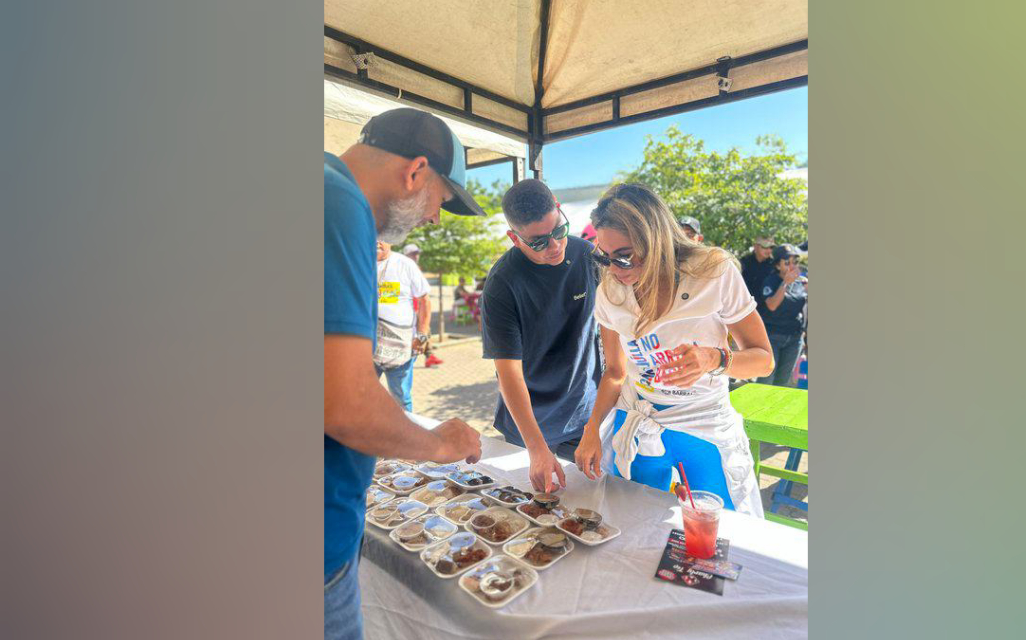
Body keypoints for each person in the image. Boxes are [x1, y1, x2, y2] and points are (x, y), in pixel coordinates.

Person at [323, 107, 485, 640]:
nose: (435, 217)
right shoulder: (340, 204)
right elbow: (345, 404)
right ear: (416, 172)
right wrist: (438, 443)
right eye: (441, 199)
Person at [573, 183, 774, 516]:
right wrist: (591, 430)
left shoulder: (712, 271)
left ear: (657, 240)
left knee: (721, 530)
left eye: (624, 256)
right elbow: (614, 372)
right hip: (639, 419)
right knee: (633, 522)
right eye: (604, 258)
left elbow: (763, 361)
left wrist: (715, 359)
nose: (616, 270)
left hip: (703, 424)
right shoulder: (611, 291)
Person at [480, 179, 602, 493]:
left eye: (558, 231)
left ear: (560, 212)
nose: (554, 246)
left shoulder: (587, 254)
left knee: (596, 505)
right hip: (529, 426)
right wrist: (536, 448)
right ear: (513, 238)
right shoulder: (501, 285)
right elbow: (509, 374)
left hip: (584, 416)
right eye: (538, 242)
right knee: (535, 512)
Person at [373, 241, 430, 412]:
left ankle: (407, 437)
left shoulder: (405, 264)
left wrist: (421, 336)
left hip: (401, 348)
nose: (377, 241)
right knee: (358, 395)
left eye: (382, 236)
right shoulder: (359, 263)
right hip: (367, 349)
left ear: (391, 239)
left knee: (401, 399)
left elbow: (424, 300)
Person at [757, 244, 808, 387]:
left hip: (794, 338)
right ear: (778, 266)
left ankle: (775, 409)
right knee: (766, 380)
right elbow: (772, 305)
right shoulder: (771, 281)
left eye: (795, 262)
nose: (792, 266)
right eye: (787, 263)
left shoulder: (802, 283)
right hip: (773, 337)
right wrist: (786, 282)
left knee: (782, 383)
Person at [739, 235, 777, 308]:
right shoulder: (744, 263)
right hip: (746, 307)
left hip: (767, 310)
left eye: (771, 247)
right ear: (755, 246)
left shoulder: (774, 265)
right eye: (765, 247)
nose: (769, 250)